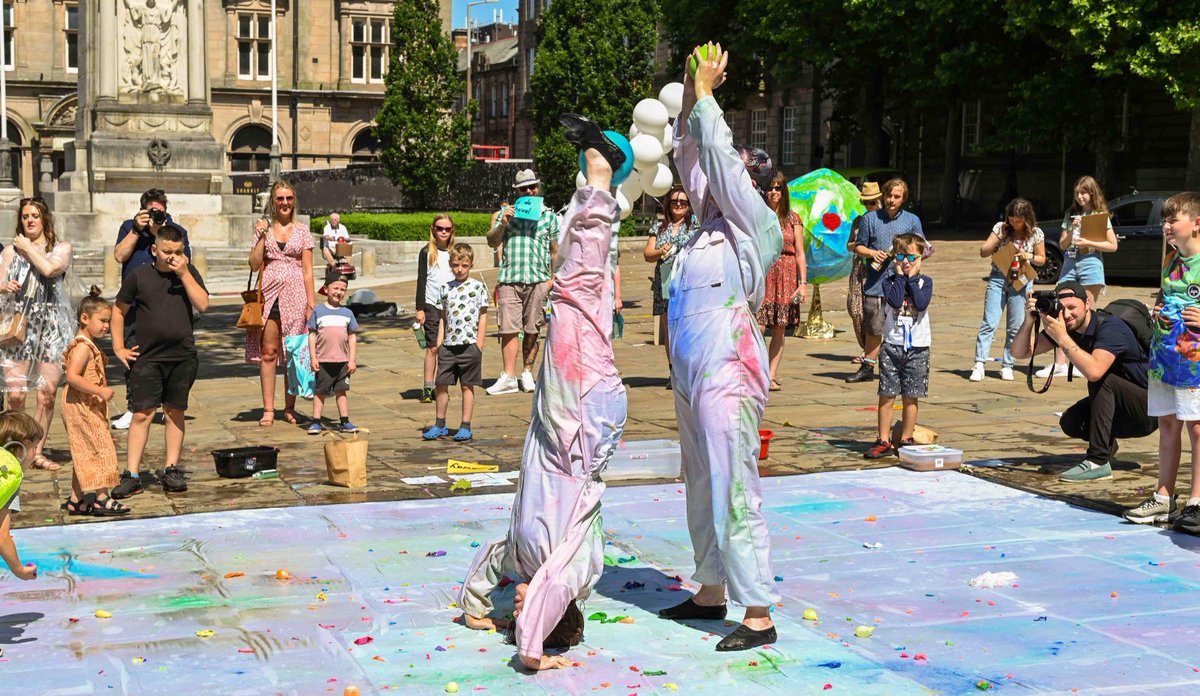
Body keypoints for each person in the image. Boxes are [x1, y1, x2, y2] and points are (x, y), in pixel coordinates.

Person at [460, 121, 627, 670]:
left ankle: (595, 185)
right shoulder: (574, 568)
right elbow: (543, 608)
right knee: (584, 300)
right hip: (584, 431)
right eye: (533, 607)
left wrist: (477, 609)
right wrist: (533, 654)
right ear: (560, 609)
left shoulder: (522, 556)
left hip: (554, 427)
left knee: (575, 304)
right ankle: (597, 185)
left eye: (521, 607)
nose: (523, 600)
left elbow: (492, 563)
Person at [654, 44, 781, 652]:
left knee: (733, 482)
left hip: (729, 367)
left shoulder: (758, 225)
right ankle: (711, 589)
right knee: (701, 477)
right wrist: (688, 84)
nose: (709, 183)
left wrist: (708, 97)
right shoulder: (703, 229)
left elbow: (723, 163)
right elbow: (690, 154)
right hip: (691, 367)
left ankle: (757, 609)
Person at [1011, 280, 1156, 482]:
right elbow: (1019, 352)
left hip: (1148, 410)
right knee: (1071, 422)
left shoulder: (1111, 327)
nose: (1068, 314)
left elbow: (1095, 371)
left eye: (1072, 308)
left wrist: (1062, 338)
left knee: (1102, 379)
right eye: (1062, 309)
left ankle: (1097, 461)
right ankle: (1106, 445)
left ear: (1087, 304)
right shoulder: (1068, 328)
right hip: (1120, 405)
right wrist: (1029, 321)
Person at [110, 224, 209, 498]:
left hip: (182, 356)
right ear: (155, 249)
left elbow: (203, 305)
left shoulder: (187, 274)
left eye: (177, 252)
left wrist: (185, 272)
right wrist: (118, 346)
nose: (172, 256)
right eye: (167, 251)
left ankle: (171, 468)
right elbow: (118, 311)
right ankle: (131, 474)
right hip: (147, 357)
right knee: (142, 413)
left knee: (175, 411)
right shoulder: (139, 277)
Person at [1123, 192, 1200, 533]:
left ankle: (1197, 502)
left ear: (1197, 223)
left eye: (1173, 220)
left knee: (1197, 429)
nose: (1166, 226)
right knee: (1168, 425)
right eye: (1165, 221)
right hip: (1164, 356)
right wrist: (1157, 309)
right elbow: (1164, 294)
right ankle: (1164, 498)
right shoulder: (1170, 259)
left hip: (1195, 362)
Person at [0, 197, 75, 471]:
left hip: (51, 326)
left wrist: (27, 248)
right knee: (17, 393)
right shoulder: (9, 252)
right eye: (25, 217)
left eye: (34, 216)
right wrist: (4, 286)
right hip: (19, 325)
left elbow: (49, 269)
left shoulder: (60, 248)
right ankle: (17, 447)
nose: (29, 221)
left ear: (45, 219)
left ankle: (37, 452)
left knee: (47, 393)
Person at [111, 189, 192, 430]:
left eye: (160, 211)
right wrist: (138, 230)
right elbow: (119, 255)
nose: (156, 215)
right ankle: (133, 406)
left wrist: (161, 234)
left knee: (171, 357)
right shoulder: (129, 227)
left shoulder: (176, 231)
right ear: (142, 210)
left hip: (169, 301)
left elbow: (185, 261)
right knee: (134, 355)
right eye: (151, 211)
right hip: (135, 303)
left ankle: (167, 404)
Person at [248, 181, 316, 427]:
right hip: (270, 295)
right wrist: (262, 236)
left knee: (293, 353)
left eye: (288, 198)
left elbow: (308, 270)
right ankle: (268, 408)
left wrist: (311, 304)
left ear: (294, 201)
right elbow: (254, 263)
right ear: (273, 202)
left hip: (296, 295)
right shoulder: (263, 229)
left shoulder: (302, 230)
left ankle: (289, 407)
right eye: (280, 198)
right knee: (269, 353)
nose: (285, 203)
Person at [485, 169, 559, 395]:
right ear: (517, 191)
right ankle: (508, 375)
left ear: (538, 188)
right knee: (508, 328)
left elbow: (555, 250)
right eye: (524, 188)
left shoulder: (549, 216)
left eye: (532, 187)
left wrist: (552, 279)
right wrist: (503, 223)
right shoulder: (506, 214)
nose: (529, 191)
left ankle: (527, 371)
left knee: (533, 327)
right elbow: (490, 241)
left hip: (537, 279)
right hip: (510, 278)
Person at [1038, 176, 1119, 378]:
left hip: (1091, 263)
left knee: (1087, 312)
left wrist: (1089, 242)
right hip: (1070, 264)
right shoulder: (1071, 214)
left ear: (1092, 193)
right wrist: (1073, 229)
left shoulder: (1100, 216)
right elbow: (1064, 245)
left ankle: (1086, 360)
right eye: (1077, 193)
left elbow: (1113, 245)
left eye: (1083, 192)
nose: (1080, 197)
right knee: (1059, 310)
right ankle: (1060, 363)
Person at [846, 178, 926, 383]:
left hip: (903, 284)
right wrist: (873, 253)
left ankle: (897, 366)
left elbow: (922, 249)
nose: (891, 200)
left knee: (900, 327)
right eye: (889, 195)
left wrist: (911, 265)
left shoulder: (912, 220)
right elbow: (859, 246)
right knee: (873, 327)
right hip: (876, 283)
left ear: (903, 199)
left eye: (896, 197)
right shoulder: (870, 219)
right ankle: (867, 367)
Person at [60, 287, 129, 516]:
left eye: (108, 321)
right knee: (101, 448)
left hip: (85, 405)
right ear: (84, 318)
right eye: (102, 321)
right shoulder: (82, 347)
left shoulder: (88, 344)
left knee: (85, 450)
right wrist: (99, 391)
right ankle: (101, 498)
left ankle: (76, 500)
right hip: (80, 405)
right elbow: (72, 377)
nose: (106, 326)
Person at [863, 234, 933, 458]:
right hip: (892, 345)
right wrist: (901, 277)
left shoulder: (925, 282)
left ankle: (906, 437)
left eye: (911, 257)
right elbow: (894, 301)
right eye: (901, 256)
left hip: (918, 347)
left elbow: (921, 303)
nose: (906, 261)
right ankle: (883, 439)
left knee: (911, 395)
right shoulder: (889, 282)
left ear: (920, 258)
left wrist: (912, 278)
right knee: (887, 393)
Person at [970, 198, 1046, 382]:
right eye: (1011, 219)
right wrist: (1000, 238)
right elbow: (983, 251)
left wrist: (1028, 256)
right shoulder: (1001, 228)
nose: (1014, 223)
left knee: (1015, 325)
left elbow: (1042, 259)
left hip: (1020, 282)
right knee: (989, 321)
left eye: (1018, 221)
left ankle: (1008, 364)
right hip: (998, 278)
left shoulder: (1036, 233)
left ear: (1027, 218)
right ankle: (979, 363)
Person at [422, 243, 489, 442]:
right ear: (450, 264)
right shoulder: (445, 288)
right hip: (448, 346)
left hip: (469, 345)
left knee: (467, 386)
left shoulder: (478, 287)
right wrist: (440, 343)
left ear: (471, 265)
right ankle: (440, 423)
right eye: (456, 265)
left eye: (464, 265)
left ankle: (465, 425)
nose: (459, 269)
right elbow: (443, 317)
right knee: (441, 385)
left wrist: (479, 344)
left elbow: (483, 317)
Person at [757, 172, 808, 391]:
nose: (774, 192)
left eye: (778, 188)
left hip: (786, 275)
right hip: (765, 272)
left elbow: (799, 253)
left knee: (779, 328)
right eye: (770, 188)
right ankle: (755, 373)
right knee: (758, 327)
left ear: (784, 191)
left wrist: (803, 283)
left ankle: (771, 375)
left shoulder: (793, 218)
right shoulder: (758, 216)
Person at [643, 187, 698, 387]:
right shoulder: (659, 226)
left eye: (683, 201)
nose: (678, 204)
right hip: (664, 280)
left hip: (686, 280)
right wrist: (660, 251)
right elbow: (647, 254)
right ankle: (673, 371)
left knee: (686, 326)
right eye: (674, 201)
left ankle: (688, 371)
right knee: (669, 328)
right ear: (668, 204)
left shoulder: (694, 225)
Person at [306, 269, 359, 435]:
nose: (339, 292)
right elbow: (312, 335)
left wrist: (352, 359)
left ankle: (344, 421)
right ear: (326, 289)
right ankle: (316, 421)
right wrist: (313, 357)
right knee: (320, 391)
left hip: (342, 361)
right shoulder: (318, 311)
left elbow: (352, 337)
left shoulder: (347, 313)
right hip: (323, 360)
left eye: (343, 289)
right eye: (336, 288)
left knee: (341, 391)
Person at [415, 215, 456, 404]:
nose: (444, 232)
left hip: (452, 305)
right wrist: (420, 308)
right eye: (440, 228)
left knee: (447, 348)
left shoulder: (455, 252)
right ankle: (427, 386)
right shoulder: (427, 252)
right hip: (432, 304)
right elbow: (421, 280)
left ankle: (443, 385)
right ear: (433, 229)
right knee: (432, 348)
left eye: (447, 229)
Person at [0, 410, 41, 581]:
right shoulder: (9, 475)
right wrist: (19, 570)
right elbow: (2, 536)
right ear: (23, 446)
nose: (36, 454)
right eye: (36, 447)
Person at [847, 182, 883, 363]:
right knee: (855, 310)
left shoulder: (883, 221)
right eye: (866, 203)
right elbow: (849, 245)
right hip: (859, 269)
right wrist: (858, 246)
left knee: (873, 312)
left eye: (873, 203)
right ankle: (867, 347)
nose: (869, 207)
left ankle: (870, 352)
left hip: (875, 270)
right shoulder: (858, 221)